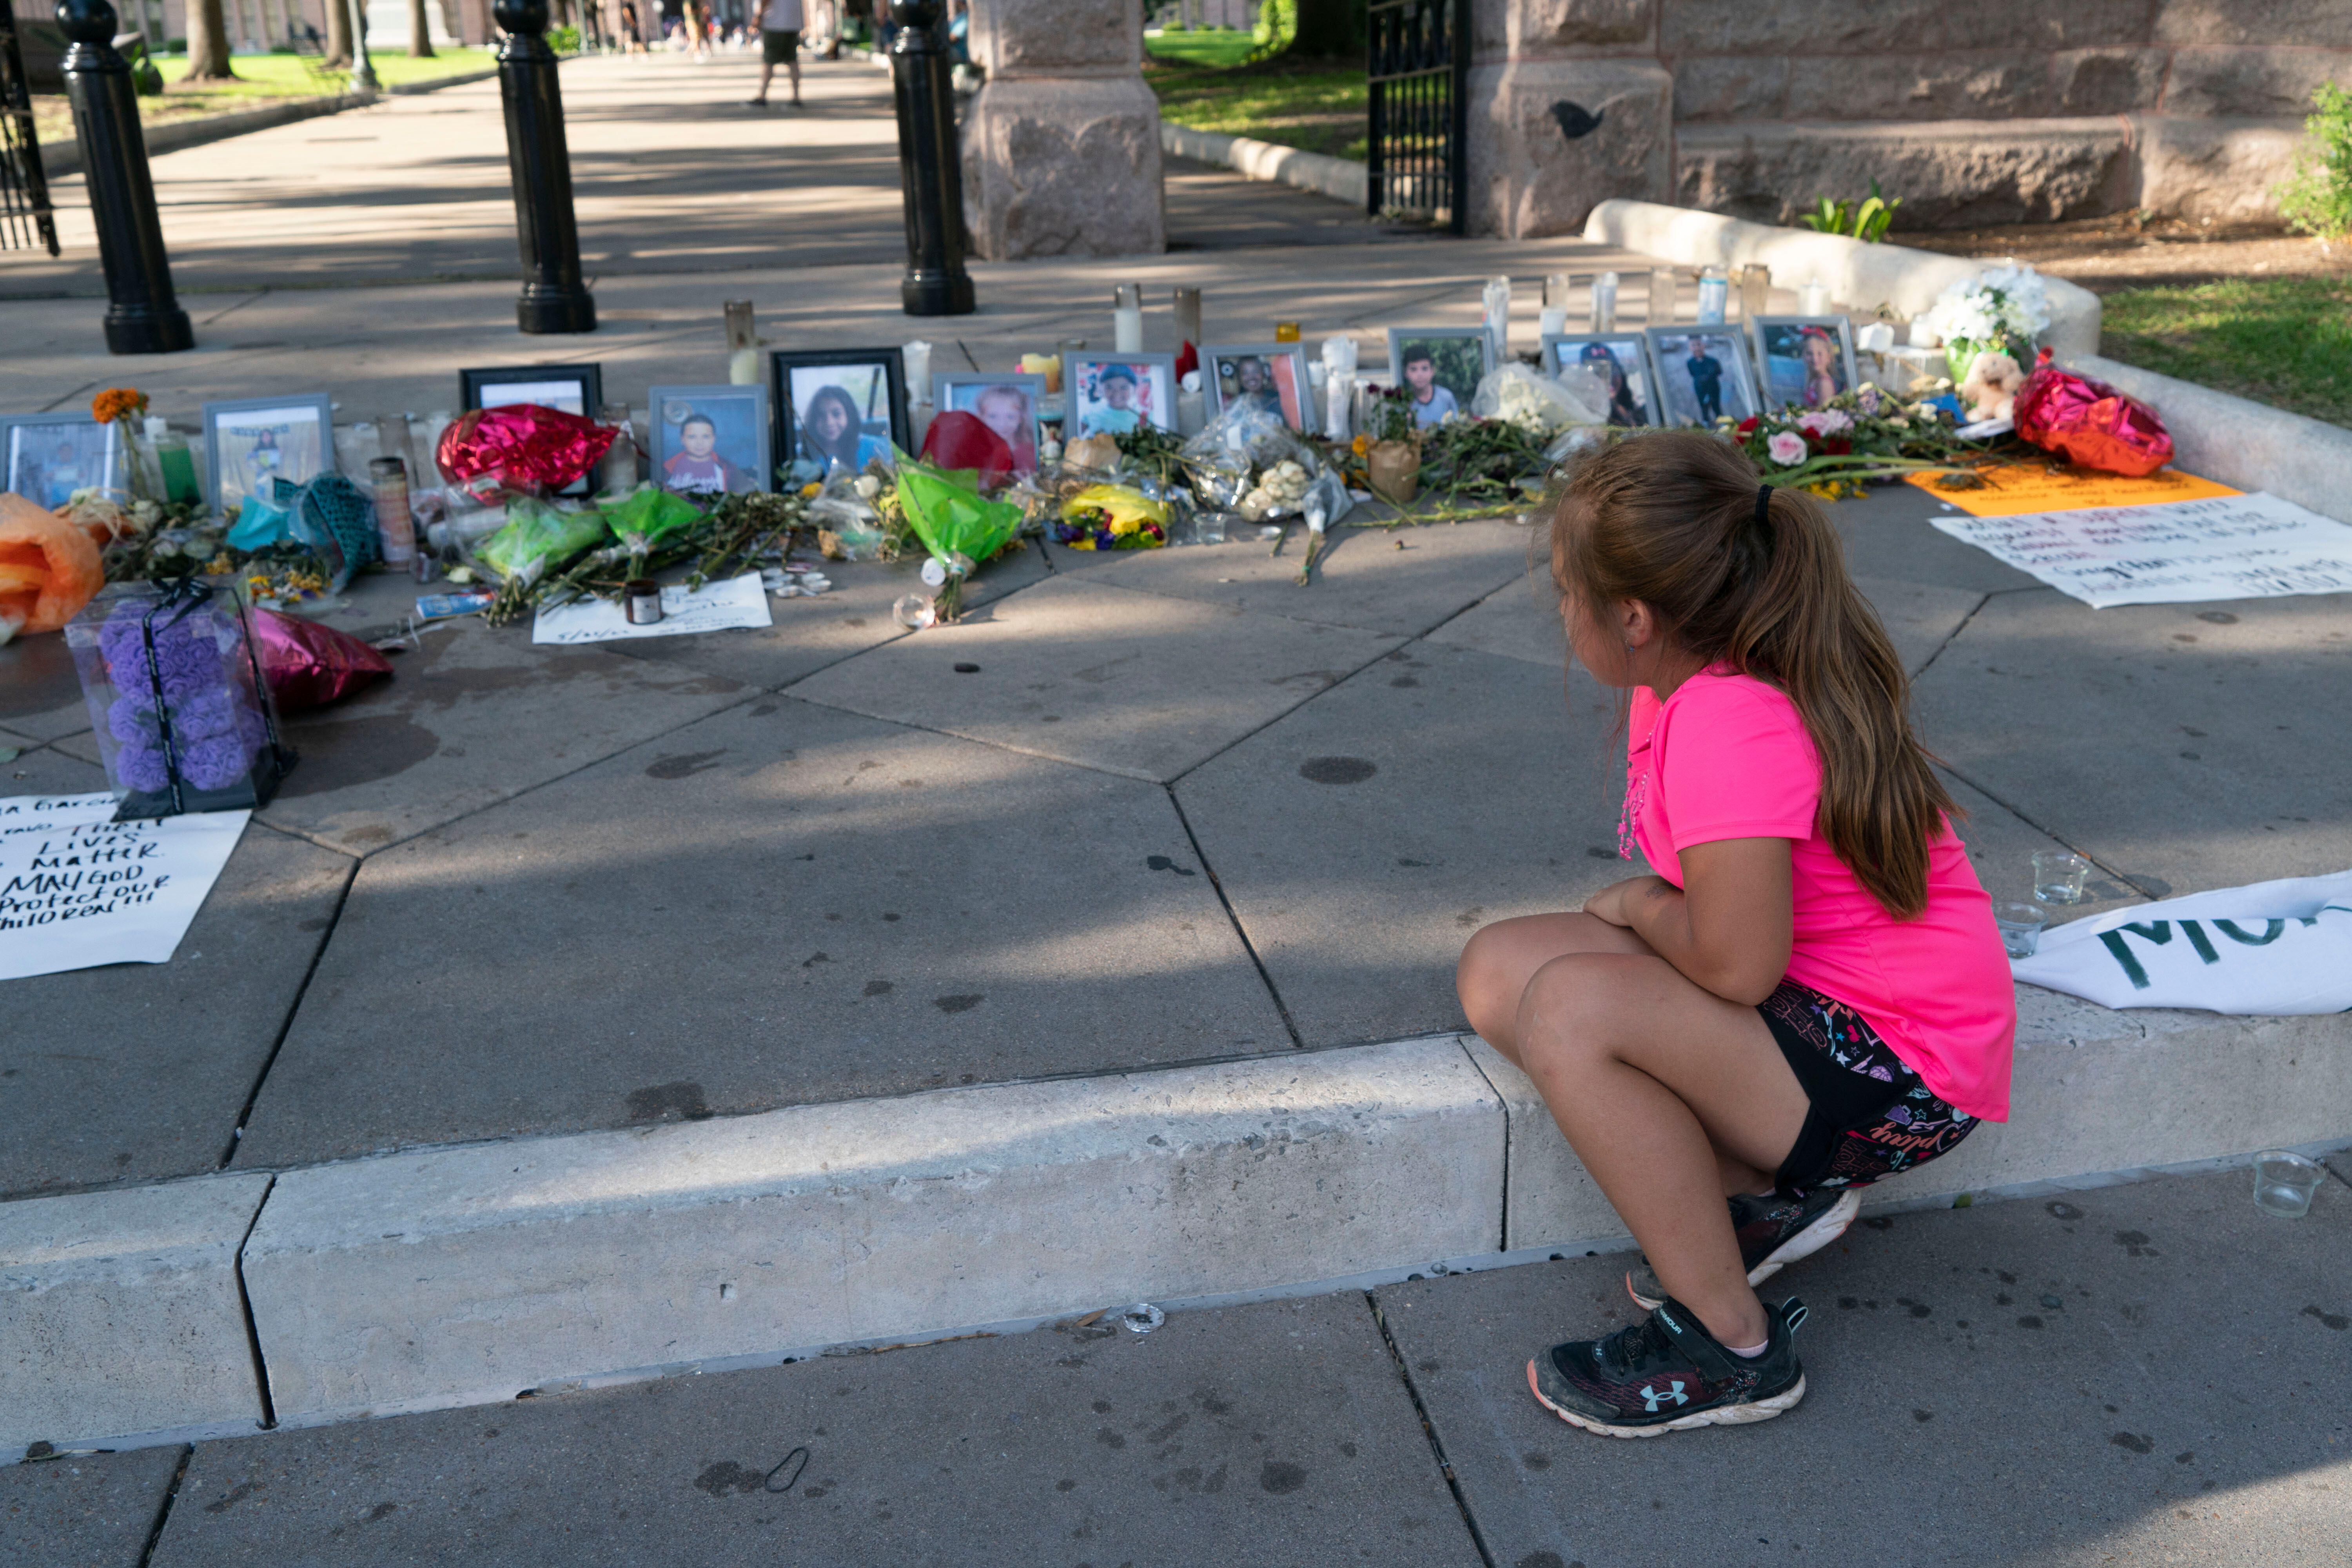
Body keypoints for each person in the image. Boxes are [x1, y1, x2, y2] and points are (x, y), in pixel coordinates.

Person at [1455, 431, 2012, 1437]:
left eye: (1567, 596)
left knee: (1574, 1006)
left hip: (1905, 1074)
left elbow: (1734, 962)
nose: (1563, 616)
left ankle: (1733, 1347)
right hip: (1823, 1015)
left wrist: (1634, 909)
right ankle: (1765, 1203)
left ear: (1633, 617)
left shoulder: (1730, 719)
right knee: (1502, 970)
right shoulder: (1679, 681)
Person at [799, 383, 888, 474]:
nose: (829, 422)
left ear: (849, 415)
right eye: (821, 415)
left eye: (836, 414)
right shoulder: (803, 454)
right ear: (813, 419)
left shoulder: (875, 448)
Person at [662, 412, 748, 494]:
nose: (700, 443)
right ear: (682, 439)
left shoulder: (729, 469)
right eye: (692, 437)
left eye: (706, 437)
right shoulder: (666, 469)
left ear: (714, 439)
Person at [971, 384, 1036, 473]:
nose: (1002, 424)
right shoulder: (974, 451)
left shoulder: (1030, 452)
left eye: (1010, 417)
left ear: (1021, 418)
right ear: (980, 417)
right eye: (993, 416)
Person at [1579, 341, 1645, 428]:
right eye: (1598, 373)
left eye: (1613, 370)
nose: (1609, 378)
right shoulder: (1586, 421)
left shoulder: (1638, 411)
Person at [747, 0, 802, 104]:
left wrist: (758, 16)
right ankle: (796, 96)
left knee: (769, 61)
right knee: (792, 60)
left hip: (774, 23)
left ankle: (762, 96)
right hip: (792, 21)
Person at [1079, 363, 1146, 437]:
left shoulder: (1143, 417)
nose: (1117, 393)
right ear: (1102, 388)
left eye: (1124, 387)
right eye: (1109, 387)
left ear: (1134, 388)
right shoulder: (1092, 411)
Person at [1401, 344, 1458, 428]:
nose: (1420, 375)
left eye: (1424, 369)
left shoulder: (1446, 397)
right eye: (1414, 370)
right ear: (1406, 373)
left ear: (1433, 371)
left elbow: (1458, 427)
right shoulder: (1403, 403)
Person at [1797, 328, 1844, 409]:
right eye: (1809, 353)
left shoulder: (1824, 383)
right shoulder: (1815, 380)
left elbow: (1822, 417)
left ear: (1829, 357)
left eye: (1820, 354)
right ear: (1803, 356)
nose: (1815, 359)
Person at [1684, 338, 1725, 423]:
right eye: (1694, 346)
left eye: (1699, 345)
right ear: (1690, 348)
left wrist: (1709, 378)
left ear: (1703, 346)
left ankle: (1721, 422)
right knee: (1704, 407)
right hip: (1700, 388)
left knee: (1716, 406)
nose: (1697, 348)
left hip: (1713, 387)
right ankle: (1706, 422)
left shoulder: (1713, 361)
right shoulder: (1690, 362)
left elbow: (1719, 372)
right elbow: (1693, 374)